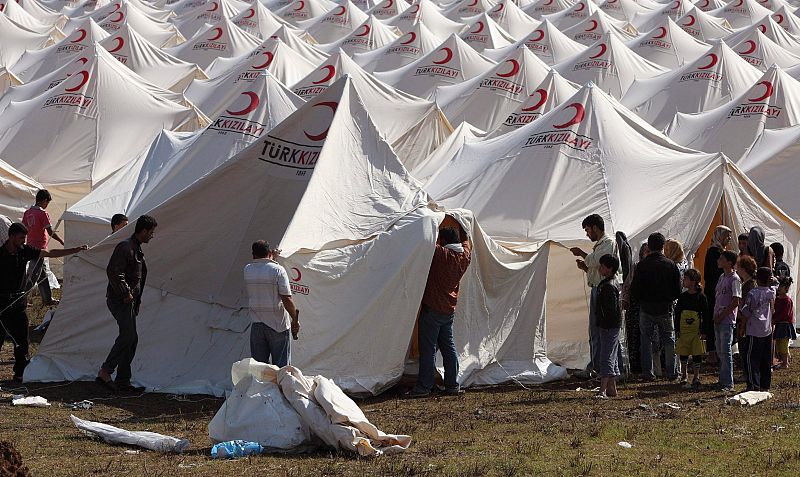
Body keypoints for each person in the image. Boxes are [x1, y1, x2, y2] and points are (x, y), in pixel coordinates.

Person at [0, 223, 87, 382]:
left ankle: (20, 373)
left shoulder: (25, 251)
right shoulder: (0, 254)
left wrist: (74, 250)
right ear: (11, 237)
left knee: (22, 341)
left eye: (24, 238)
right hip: (2, 304)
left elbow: (50, 253)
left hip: (18, 304)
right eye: (20, 238)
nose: (23, 241)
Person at [409, 219, 472, 398]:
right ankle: (452, 385)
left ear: (443, 242)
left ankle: (424, 387)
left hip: (432, 310)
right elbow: (466, 243)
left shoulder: (440, 254)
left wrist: (433, 223)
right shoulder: (464, 257)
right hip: (448, 311)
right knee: (449, 348)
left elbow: (426, 240)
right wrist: (462, 226)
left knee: (428, 350)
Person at [96, 215, 157, 394]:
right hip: (120, 300)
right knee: (128, 336)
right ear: (144, 231)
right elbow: (114, 271)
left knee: (131, 338)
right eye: (151, 232)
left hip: (127, 301)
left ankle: (123, 380)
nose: (152, 236)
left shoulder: (134, 248)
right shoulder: (126, 247)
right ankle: (105, 372)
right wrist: (126, 293)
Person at [631, 232, 682, 381]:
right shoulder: (671, 265)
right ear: (662, 246)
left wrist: (642, 300)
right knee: (669, 340)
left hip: (646, 308)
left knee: (646, 341)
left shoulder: (642, 265)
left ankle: (648, 372)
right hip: (665, 308)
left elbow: (635, 289)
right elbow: (677, 290)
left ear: (650, 246)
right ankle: (672, 372)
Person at [570, 214, 616, 377]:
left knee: (601, 330)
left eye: (588, 230)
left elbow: (598, 261)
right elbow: (597, 267)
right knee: (596, 331)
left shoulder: (608, 243)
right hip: (598, 288)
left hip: (604, 291)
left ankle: (600, 368)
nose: (587, 234)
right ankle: (598, 366)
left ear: (595, 228)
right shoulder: (601, 244)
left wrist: (582, 254)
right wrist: (586, 269)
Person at [243, 240, 299, 368]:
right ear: (269, 252)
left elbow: (263, 268)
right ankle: (280, 388)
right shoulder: (278, 270)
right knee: (282, 368)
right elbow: (286, 298)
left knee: (260, 369)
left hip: (257, 324)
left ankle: (261, 388)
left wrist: (271, 258)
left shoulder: (247, 269)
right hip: (277, 325)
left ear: (253, 255)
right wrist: (295, 319)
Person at [22, 190, 63, 306]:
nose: (47, 205)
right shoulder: (42, 213)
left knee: (42, 275)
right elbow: (50, 232)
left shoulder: (27, 212)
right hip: (40, 249)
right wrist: (61, 240)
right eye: (47, 203)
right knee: (32, 276)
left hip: (30, 246)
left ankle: (47, 299)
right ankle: (21, 300)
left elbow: (24, 229)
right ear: (45, 201)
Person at [740, 267, 776, 392]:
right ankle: (765, 385)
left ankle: (753, 385)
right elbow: (776, 284)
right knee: (766, 359)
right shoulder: (771, 292)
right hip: (767, 329)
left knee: (752, 359)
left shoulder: (752, 293)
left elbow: (746, 312)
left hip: (753, 330)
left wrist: (742, 324)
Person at [674, 269, 709, 390]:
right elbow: (677, 313)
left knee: (696, 353)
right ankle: (684, 374)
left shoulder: (701, 297)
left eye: (686, 278)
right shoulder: (683, 297)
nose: (683, 280)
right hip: (683, 330)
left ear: (693, 281)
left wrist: (704, 330)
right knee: (683, 352)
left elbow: (706, 315)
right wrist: (677, 328)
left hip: (696, 331)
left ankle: (696, 376)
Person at [713, 251, 742, 392]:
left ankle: (728, 382)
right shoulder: (722, 277)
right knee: (720, 349)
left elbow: (736, 301)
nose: (718, 260)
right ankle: (722, 378)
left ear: (729, 262)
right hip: (718, 318)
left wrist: (723, 315)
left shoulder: (734, 279)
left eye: (721, 259)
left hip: (727, 319)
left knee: (726, 350)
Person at [704, 226, 732, 363]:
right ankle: (712, 352)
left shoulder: (720, 251)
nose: (729, 239)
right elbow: (713, 274)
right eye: (727, 235)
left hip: (720, 291)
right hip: (714, 291)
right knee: (713, 319)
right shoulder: (714, 252)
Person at [595, 254, 622, 399]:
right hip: (612, 325)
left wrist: (605, 324)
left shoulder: (608, 287)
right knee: (611, 355)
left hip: (609, 326)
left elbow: (611, 310)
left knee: (606, 357)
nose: (600, 268)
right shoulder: (611, 283)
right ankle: (612, 388)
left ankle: (602, 390)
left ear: (609, 268)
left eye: (602, 266)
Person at [621, 242, 649, 374]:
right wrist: (626, 300)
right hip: (634, 307)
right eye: (645, 251)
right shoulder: (636, 267)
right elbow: (627, 285)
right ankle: (636, 364)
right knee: (634, 336)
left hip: (646, 306)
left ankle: (646, 364)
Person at [773, 277, 795, 370]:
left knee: (783, 345)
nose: (779, 288)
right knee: (778, 344)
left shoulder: (787, 300)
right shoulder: (777, 299)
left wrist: (775, 319)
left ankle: (785, 363)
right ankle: (781, 361)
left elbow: (784, 314)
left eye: (781, 286)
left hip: (784, 325)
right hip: (778, 324)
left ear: (786, 288)